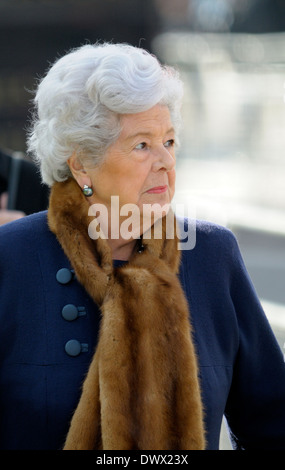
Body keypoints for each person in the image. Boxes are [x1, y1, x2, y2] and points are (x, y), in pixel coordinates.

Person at [0, 43, 284, 451]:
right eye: (142, 145)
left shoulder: (212, 255)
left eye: (169, 141)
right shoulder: (11, 259)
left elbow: (273, 425)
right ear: (81, 163)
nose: (165, 161)